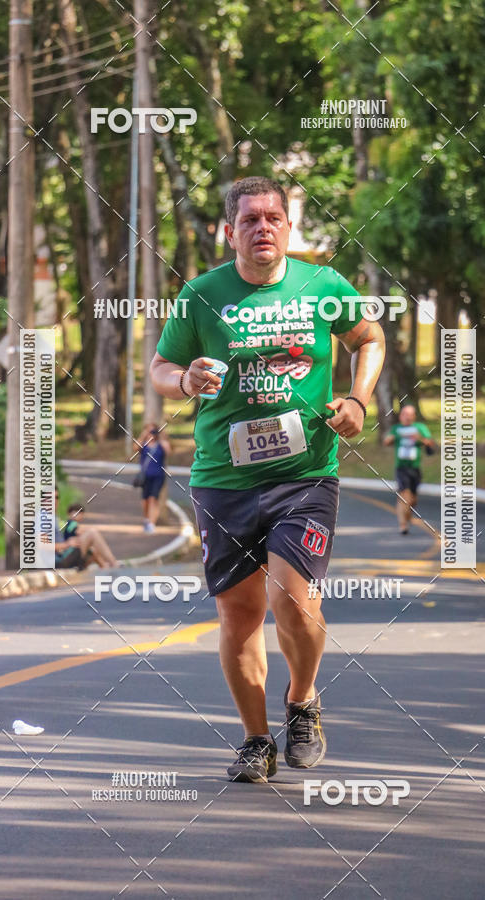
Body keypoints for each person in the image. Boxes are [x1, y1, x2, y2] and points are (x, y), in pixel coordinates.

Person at [150, 176, 385, 783]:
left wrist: (358, 401)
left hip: (304, 474)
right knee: (238, 613)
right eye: (250, 219)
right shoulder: (202, 296)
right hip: (224, 478)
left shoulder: (321, 286)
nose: (263, 228)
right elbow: (160, 366)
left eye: (273, 217)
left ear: (288, 226)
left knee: (294, 599)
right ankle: (256, 740)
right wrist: (183, 381)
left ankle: (302, 701)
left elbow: (370, 339)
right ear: (229, 231)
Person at [383, 404, 434, 534]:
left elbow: (430, 443)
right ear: (401, 416)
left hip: (415, 468)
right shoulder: (397, 429)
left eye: (410, 415)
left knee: (413, 500)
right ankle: (403, 525)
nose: (407, 417)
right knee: (404, 495)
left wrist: (420, 439)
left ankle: (407, 516)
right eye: (405, 414)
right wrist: (392, 438)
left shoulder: (420, 428)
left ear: (414, 417)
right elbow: (386, 441)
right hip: (401, 467)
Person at [53, 488, 118, 569]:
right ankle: (115, 565)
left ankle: (105, 566)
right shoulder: (43, 519)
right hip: (58, 560)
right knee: (92, 533)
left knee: (93, 550)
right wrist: (66, 544)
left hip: (64, 554)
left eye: (56, 497)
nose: (54, 500)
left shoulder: (54, 517)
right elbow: (41, 545)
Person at [137, 422, 171, 533]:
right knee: (145, 501)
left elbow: (168, 451)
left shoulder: (161, 444)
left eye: (153, 431)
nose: (151, 433)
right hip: (145, 476)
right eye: (149, 431)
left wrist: (160, 435)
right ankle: (147, 519)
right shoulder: (144, 444)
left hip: (158, 476)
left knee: (153, 499)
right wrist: (144, 434)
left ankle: (152, 523)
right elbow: (135, 447)